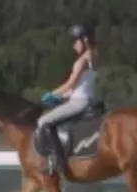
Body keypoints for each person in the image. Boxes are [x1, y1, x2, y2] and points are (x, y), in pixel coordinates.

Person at [36, 23, 99, 176]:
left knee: (43, 122)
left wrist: (51, 94)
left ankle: (57, 162)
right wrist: (62, 96)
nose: (73, 46)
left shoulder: (81, 61)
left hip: (79, 102)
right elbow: (78, 87)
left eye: (75, 41)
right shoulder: (94, 57)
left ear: (84, 40)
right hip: (87, 99)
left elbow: (70, 83)